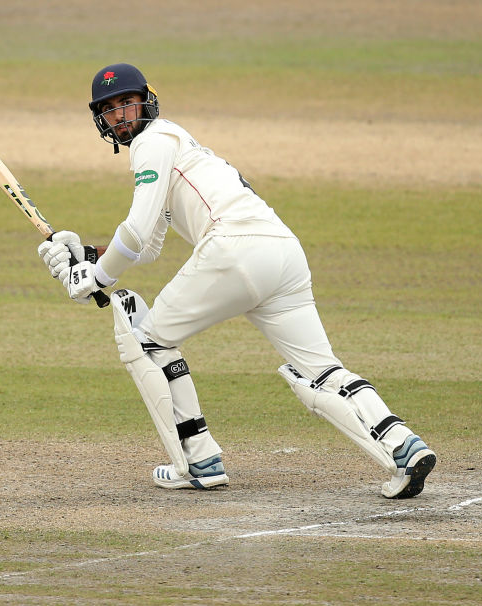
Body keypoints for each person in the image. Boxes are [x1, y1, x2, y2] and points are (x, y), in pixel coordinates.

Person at [38, 63, 435, 498]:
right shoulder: (179, 145)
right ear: (101, 119)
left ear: (147, 100)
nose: (120, 115)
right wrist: (86, 254)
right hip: (282, 253)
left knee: (146, 343)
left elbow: (134, 232)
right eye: (109, 109)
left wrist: (96, 278)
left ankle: (198, 461)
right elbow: (148, 245)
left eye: (127, 102)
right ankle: (404, 446)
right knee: (322, 369)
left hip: (234, 249)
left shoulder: (152, 142)